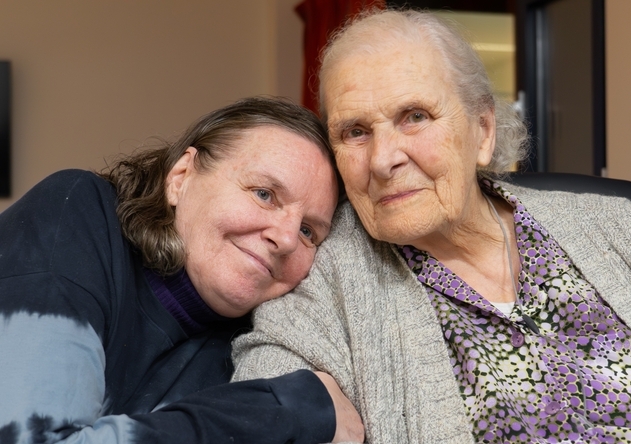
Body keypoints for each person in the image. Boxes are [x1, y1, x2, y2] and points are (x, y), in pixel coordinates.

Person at [232, 10, 631, 444]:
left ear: (483, 131)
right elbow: (260, 409)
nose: (383, 158)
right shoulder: (328, 281)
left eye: (414, 117)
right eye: (354, 131)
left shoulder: (621, 230)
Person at [0, 97, 362, 443]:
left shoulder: (257, 351)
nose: (285, 239)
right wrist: (286, 410)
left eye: (308, 231)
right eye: (264, 194)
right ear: (181, 176)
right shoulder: (77, 215)